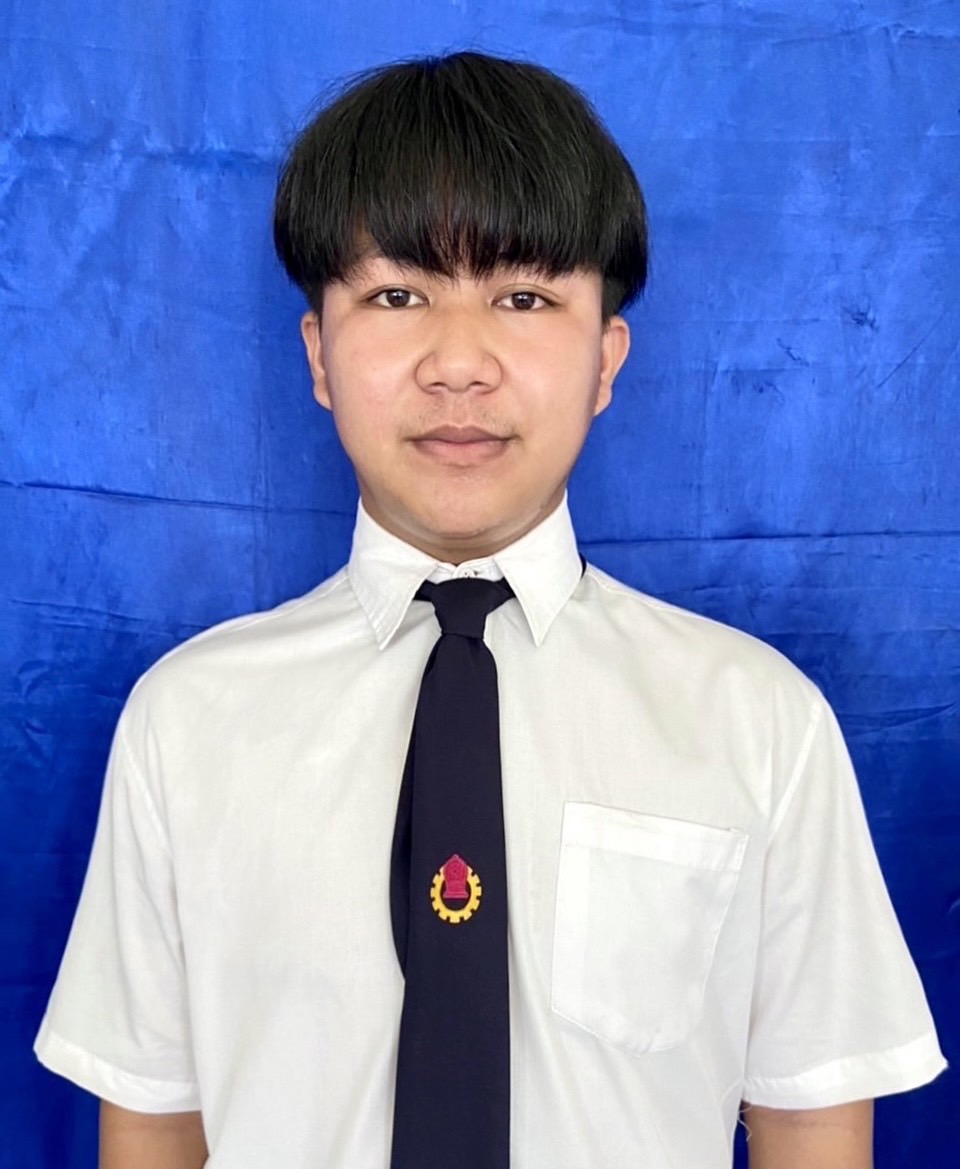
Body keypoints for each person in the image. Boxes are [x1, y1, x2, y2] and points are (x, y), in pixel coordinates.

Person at [35, 51, 944, 1169]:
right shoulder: (187, 721)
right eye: (397, 295)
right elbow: (156, 1120)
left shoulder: (759, 721)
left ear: (606, 358)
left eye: (523, 298)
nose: (458, 364)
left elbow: (812, 1119)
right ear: (317, 354)